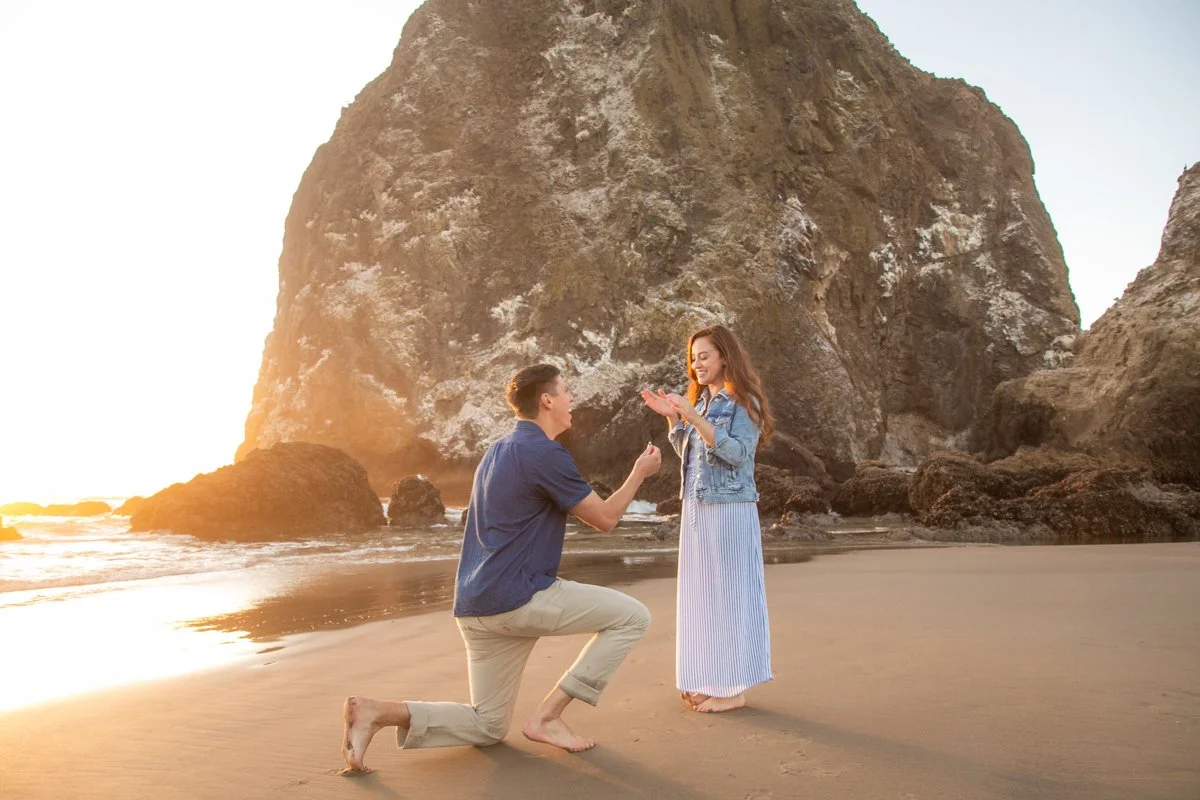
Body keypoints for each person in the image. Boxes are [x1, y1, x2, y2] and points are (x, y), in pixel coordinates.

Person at [341, 363, 662, 772]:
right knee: (633, 616)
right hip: (518, 599)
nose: (572, 400)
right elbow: (605, 518)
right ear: (546, 400)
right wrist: (639, 473)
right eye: (565, 391)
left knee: (488, 725)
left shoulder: (496, 451)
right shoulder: (544, 453)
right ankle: (547, 717)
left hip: (476, 605)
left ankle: (376, 712)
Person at [641, 324, 774, 713]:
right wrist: (674, 419)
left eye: (705, 356)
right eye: (693, 357)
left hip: (730, 509)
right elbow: (690, 451)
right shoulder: (701, 405)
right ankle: (710, 679)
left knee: (730, 595)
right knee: (702, 597)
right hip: (697, 507)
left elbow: (736, 453)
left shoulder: (744, 401)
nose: (697, 364)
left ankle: (734, 687)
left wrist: (694, 418)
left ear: (724, 358)